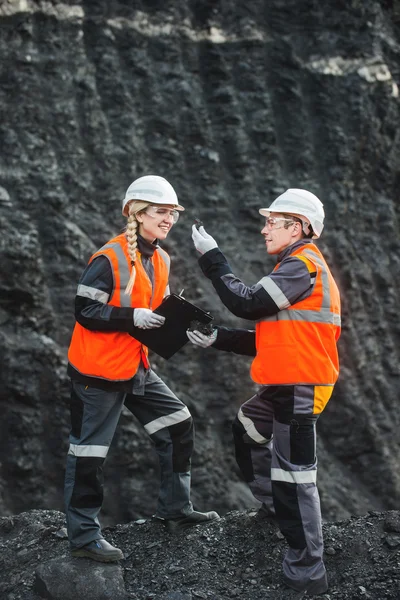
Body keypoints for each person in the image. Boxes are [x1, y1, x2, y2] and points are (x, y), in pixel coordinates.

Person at [187, 189, 341, 596]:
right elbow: (269, 338)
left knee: (295, 477)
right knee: (247, 428)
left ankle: (307, 575)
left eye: (273, 221)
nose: (264, 228)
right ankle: (277, 509)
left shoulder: (301, 265)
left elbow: (249, 302)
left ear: (301, 226)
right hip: (288, 381)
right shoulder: (295, 268)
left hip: (301, 385)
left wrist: (212, 258)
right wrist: (216, 338)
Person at [64, 175, 219, 563]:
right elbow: (85, 311)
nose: (169, 219)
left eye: (173, 214)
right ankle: (84, 537)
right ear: (137, 213)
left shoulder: (162, 258)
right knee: (89, 453)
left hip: (136, 366)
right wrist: (134, 316)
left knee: (178, 424)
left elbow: (158, 310)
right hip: (97, 375)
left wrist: (183, 320)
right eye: (162, 212)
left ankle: (175, 510)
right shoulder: (109, 258)